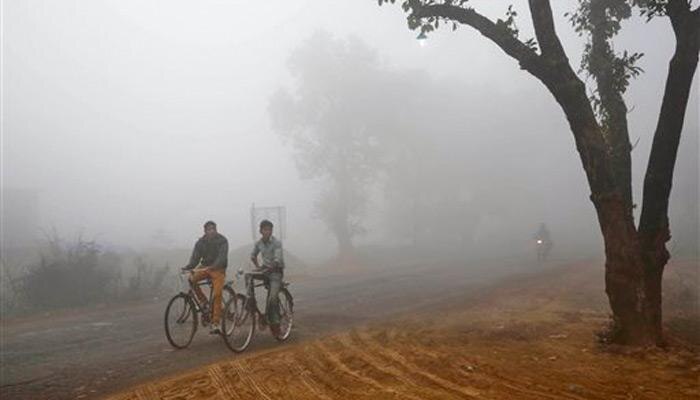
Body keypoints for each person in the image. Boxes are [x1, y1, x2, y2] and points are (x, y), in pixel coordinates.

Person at [183, 220, 228, 334]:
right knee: (192, 280)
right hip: (205, 267)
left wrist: (214, 266)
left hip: (218, 269)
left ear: (216, 230)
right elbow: (195, 258)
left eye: (213, 229)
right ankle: (204, 301)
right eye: (209, 229)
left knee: (217, 294)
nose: (211, 231)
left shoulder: (222, 241)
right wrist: (188, 267)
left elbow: (222, 257)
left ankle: (215, 323)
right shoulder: (200, 243)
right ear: (205, 231)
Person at [250, 219, 285, 338]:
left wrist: (272, 266)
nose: (268, 231)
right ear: (261, 231)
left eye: (269, 229)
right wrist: (258, 267)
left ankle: (276, 325)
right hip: (265, 271)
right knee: (248, 277)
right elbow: (253, 256)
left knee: (272, 299)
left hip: (276, 272)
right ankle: (250, 302)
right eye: (265, 229)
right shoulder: (259, 243)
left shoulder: (277, 243)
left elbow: (278, 259)